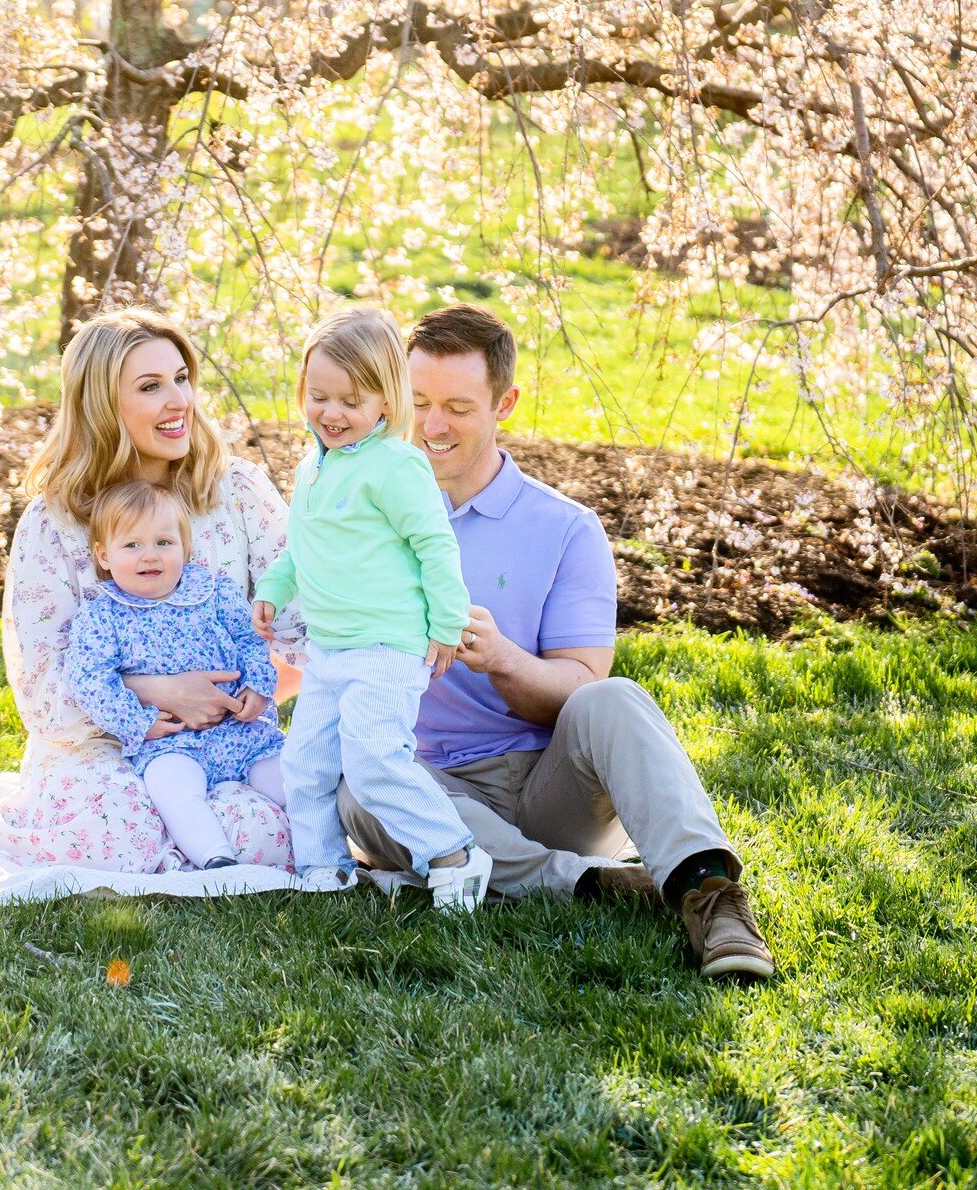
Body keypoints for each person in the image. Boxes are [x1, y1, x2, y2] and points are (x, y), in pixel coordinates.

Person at [337, 304, 775, 978]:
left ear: (504, 402)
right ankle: (589, 883)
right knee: (358, 783)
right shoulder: (358, 516)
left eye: (457, 405)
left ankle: (709, 894)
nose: (430, 426)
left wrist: (505, 660)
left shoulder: (565, 528)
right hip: (424, 787)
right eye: (417, 402)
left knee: (615, 699)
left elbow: (578, 688)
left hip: (547, 788)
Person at [0, 308, 298, 872]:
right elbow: (44, 691)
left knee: (262, 835)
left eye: (181, 378)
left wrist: (245, 697)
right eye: (151, 387)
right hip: (103, 743)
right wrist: (160, 692)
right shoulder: (54, 523)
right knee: (119, 835)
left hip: (231, 738)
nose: (180, 401)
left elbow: (303, 632)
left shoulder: (237, 492)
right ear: (102, 406)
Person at [253, 307, 493, 911]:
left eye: (350, 401)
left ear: (387, 402)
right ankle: (323, 868)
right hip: (329, 650)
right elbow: (300, 546)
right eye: (318, 397)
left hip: (387, 647)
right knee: (303, 764)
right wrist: (274, 588)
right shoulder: (312, 467)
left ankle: (454, 855)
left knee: (373, 759)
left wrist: (445, 622)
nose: (331, 414)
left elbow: (435, 545)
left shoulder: (396, 465)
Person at [64, 480, 286, 869]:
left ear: (185, 548)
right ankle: (214, 858)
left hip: (243, 731)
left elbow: (250, 639)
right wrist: (139, 723)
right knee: (173, 790)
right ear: (103, 555)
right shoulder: (103, 615)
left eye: (164, 543)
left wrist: (258, 686)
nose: (150, 556)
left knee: (296, 780)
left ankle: (326, 854)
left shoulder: (214, 592)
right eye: (132, 545)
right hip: (172, 741)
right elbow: (90, 679)